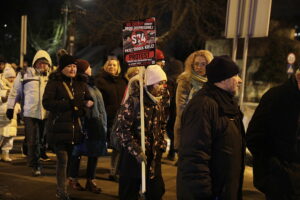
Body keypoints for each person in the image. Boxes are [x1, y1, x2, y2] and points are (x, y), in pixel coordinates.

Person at [177, 55, 245, 200]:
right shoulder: (203, 106)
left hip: (224, 191)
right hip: (210, 194)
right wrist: (204, 195)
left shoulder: (226, 103)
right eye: (235, 75)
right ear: (223, 79)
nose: (240, 80)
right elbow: (194, 157)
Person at [43, 54, 93, 200]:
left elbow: (88, 100)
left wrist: (85, 107)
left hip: (74, 128)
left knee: (71, 160)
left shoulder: (81, 82)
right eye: (69, 66)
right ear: (62, 68)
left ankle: (64, 187)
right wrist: (69, 104)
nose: (72, 69)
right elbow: (47, 103)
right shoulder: (54, 82)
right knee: (63, 160)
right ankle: (61, 190)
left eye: (74, 66)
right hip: (58, 127)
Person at [115, 64, 169, 200]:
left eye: (164, 83)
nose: (163, 87)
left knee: (156, 193)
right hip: (133, 160)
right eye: (160, 83)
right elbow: (121, 130)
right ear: (150, 84)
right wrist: (136, 150)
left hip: (153, 159)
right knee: (129, 194)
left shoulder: (159, 102)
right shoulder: (134, 101)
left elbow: (162, 125)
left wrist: (161, 144)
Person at [246, 68, 300, 200]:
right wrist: (274, 166)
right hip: (281, 182)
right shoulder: (275, 97)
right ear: (298, 77)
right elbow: (254, 137)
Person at [6, 50, 52, 176]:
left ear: (49, 65)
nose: (42, 66)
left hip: (46, 113)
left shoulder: (51, 77)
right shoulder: (24, 74)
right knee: (33, 139)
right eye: (40, 63)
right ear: (35, 63)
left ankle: (34, 158)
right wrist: (11, 107)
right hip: (29, 113)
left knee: (42, 139)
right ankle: (35, 165)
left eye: (45, 63)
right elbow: (15, 91)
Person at [68, 59, 107, 194]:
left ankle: (91, 180)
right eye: (89, 66)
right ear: (85, 69)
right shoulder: (79, 84)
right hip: (85, 124)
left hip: (97, 123)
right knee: (77, 153)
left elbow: (100, 106)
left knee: (94, 153)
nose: (91, 68)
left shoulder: (92, 84)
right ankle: (73, 179)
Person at [174, 50, 213, 152]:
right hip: (187, 126)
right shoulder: (185, 80)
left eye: (203, 64)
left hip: (206, 126)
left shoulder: (211, 82)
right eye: (196, 64)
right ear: (191, 65)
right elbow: (181, 106)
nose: (199, 67)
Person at [95, 56, 127, 181]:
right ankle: (91, 172)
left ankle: (114, 171)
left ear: (118, 67)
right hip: (105, 117)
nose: (111, 67)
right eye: (109, 65)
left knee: (117, 146)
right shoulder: (100, 81)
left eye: (114, 65)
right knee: (100, 145)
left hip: (119, 118)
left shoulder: (123, 81)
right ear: (105, 66)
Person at [0, 64, 17, 162]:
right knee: (1, 134)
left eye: (13, 77)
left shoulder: (15, 86)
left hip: (12, 115)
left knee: (10, 135)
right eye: (10, 77)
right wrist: (4, 96)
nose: (12, 79)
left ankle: (5, 154)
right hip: (1, 114)